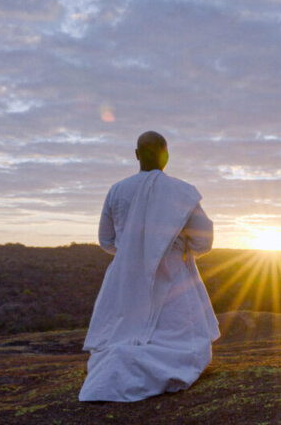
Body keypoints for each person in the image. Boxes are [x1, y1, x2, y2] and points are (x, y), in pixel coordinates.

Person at [79, 131, 219, 402]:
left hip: (124, 277)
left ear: (136, 155)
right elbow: (203, 240)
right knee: (176, 337)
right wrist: (180, 252)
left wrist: (132, 254)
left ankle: (117, 366)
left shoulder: (117, 190)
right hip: (173, 274)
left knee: (123, 332)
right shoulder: (182, 191)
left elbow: (106, 240)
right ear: (166, 156)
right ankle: (151, 368)